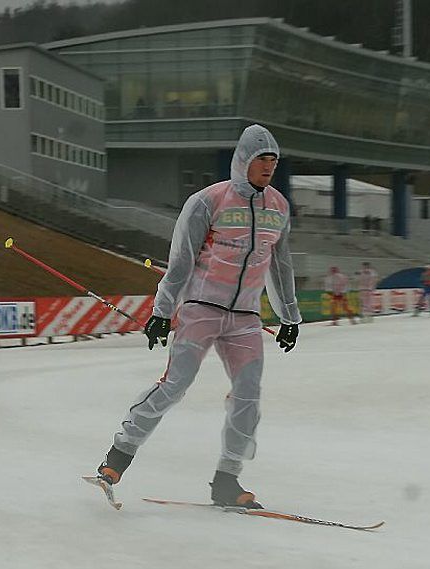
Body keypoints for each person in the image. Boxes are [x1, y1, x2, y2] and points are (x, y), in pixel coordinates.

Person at [94, 124, 301, 509]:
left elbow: (281, 265)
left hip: (245, 318)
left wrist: (290, 317)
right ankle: (117, 458)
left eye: (274, 160)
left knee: (248, 395)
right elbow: (181, 262)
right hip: (201, 309)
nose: (268, 166)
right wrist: (162, 312)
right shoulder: (208, 201)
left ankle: (227, 481)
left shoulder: (279, 207)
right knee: (175, 385)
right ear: (244, 160)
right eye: (261, 159)